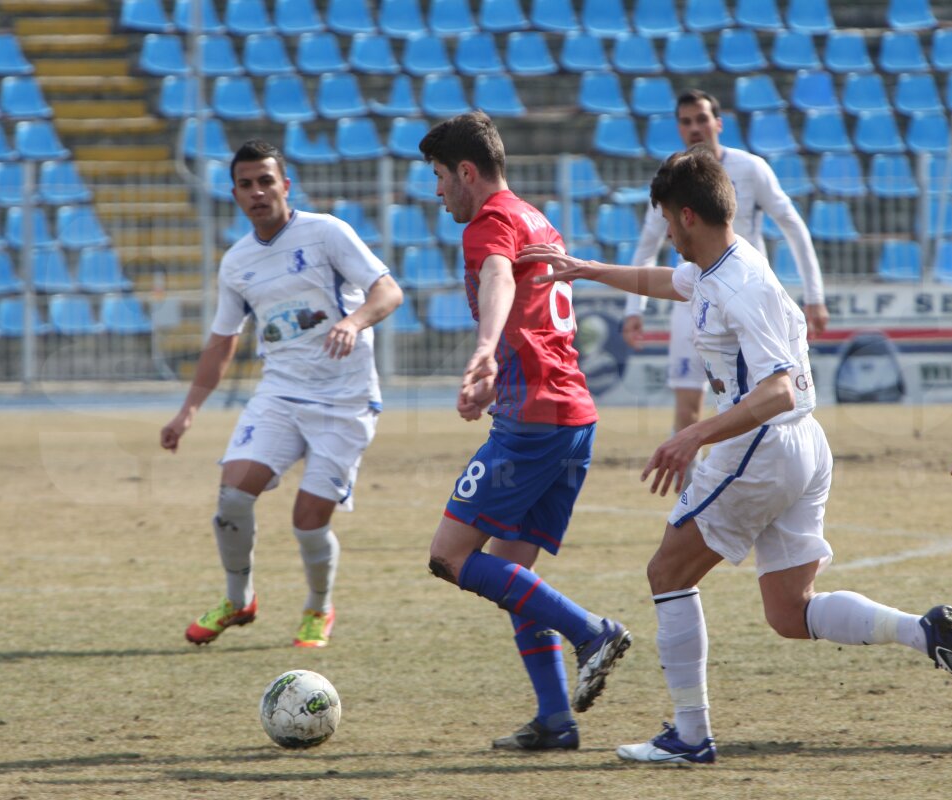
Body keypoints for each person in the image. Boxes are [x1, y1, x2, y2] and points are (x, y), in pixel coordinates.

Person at [517, 145, 952, 766]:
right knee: (789, 612)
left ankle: (690, 736)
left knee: (667, 574)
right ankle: (924, 630)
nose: (663, 233)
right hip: (801, 448)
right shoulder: (724, 266)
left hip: (760, 447)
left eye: (664, 219)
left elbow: (780, 387)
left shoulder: (741, 286)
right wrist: (587, 269)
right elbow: (672, 282)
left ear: (686, 215)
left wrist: (695, 434)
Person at [418, 111, 631, 752]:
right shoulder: (536, 217)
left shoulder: (489, 225)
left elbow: (499, 278)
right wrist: (496, 373)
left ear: (465, 171)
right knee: (515, 576)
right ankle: (556, 719)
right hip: (570, 415)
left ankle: (594, 632)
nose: (437, 192)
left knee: (450, 557)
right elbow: (533, 312)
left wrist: (484, 351)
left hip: (535, 423)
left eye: (438, 177)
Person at [160, 139, 402, 649]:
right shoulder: (237, 263)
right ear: (235, 194)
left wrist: (354, 323)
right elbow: (222, 342)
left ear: (285, 185)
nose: (257, 192)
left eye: (266, 181)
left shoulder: (327, 234)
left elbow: (388, 290)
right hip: (281, 395)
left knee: (307, 521)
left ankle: (319, 608)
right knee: (232, 494)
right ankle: (238, 597)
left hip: (344, 400)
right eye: (246, 184)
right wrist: (187, 412)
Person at [621, 89, 828, 483]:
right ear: (679, 128)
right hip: (694, 298)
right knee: (687, 410)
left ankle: (737, 483)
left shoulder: (750, 169)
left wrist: (814, 295)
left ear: (718, 123)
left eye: (702, 118)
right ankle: (692, 493)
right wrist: (635, 310)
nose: (695, 127)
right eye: (686, 121)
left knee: (760, 401)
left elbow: (792, 225)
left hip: (742, 301)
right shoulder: (673, 181)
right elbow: (648, 246)